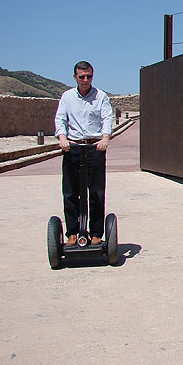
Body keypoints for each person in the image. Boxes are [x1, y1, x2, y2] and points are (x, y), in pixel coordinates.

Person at [54, 61, 113, 247]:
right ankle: (72, 234)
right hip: (72, 147)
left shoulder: (101, 96)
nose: (86, 80)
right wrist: (62, 138)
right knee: (70, 193)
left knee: (96, 192)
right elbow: (60, 119)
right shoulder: (67, 97)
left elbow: (107, 118)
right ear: (75, 78)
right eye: (82, 77)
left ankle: (96, 233)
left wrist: (105, 139)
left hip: (95, 148)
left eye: (89, 76)